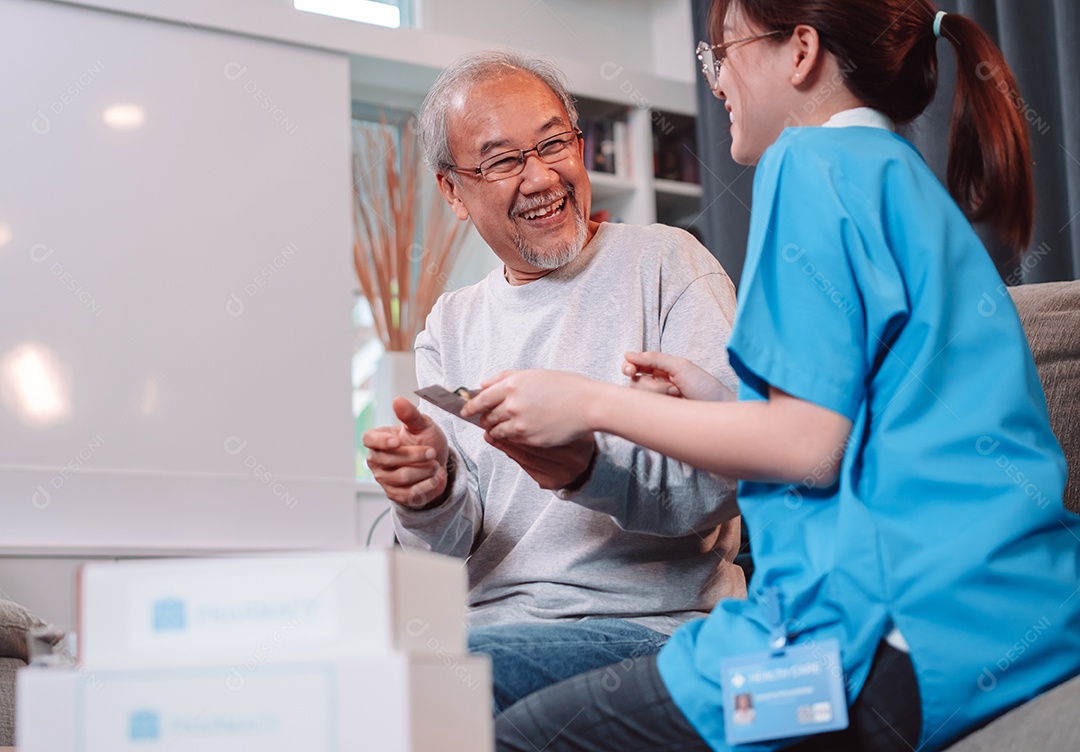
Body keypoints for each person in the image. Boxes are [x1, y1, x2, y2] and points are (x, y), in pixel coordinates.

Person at [464, 2, 1080, 750]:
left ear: (801, 53)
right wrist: (723, 402)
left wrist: (588, 403)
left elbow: (806, 446)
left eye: (722, 53)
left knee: (523, 735)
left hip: (870, 653)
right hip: (1009, 621)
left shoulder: (809, 162)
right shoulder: (897, 174)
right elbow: (868, 422)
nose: (717, 81)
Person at [361, 50, 746, 713]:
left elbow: (729, 477)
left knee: (422, 687)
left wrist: (586, 468)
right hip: (488, 628)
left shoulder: (667, 263)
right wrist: (427, 494)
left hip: (648, 629)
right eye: (505, 161)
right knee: (344, 673)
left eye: (553, 144)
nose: (541, 177)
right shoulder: (450, 324)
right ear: (452, 190)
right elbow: (448, 547)